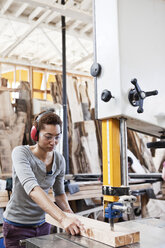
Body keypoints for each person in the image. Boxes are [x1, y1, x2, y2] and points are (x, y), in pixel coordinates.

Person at [3, 110, 83, 248]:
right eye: (48, 137)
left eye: (57, 137)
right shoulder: (21, 153)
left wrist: (69, 214)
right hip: (17, 226)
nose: (54, 142)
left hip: (43, 224)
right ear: (35, 134)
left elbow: (59, 193)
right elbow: (32, 189)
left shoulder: (59, 160)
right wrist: (62, 218)